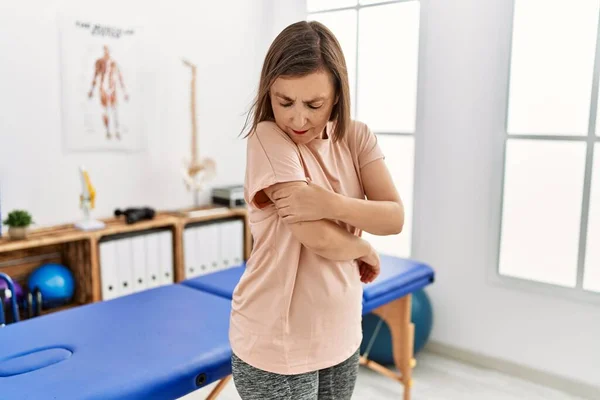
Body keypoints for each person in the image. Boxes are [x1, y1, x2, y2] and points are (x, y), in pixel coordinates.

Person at [230, 20, 405, 400]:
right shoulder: (268, 138)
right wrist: (365, 248)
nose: (297, 118)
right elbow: (315, 236)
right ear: (269, 93)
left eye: (314, 104)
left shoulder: (357, 137)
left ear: (338, 96)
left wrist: (329, 202)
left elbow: (394, 217)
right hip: (277, 341)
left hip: (341, 330)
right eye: (284, 101)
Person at [88, 45, 129, 140]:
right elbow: (95, 76)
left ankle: (117, 131)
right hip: (103, 89)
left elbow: (119, 77)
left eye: (108, 51)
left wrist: (124, 92)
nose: (106, 53)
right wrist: (91, 90)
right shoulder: (99, 62)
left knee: (114, 110)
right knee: (105, 110)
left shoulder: (113, 63)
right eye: (105, 50)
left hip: (112, 88)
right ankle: (107, 131)